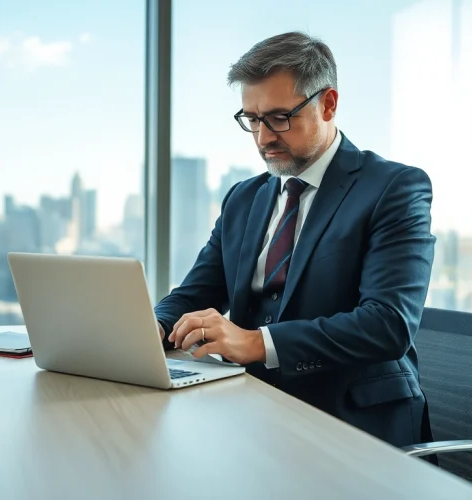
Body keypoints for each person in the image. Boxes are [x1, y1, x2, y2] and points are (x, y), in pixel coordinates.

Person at [154, 31, 435, 448]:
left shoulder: (393, 188)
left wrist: (254, 342)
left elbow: (388, 325)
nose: (263, 137)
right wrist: (151, 328)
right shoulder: (244, 197)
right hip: (249, 410)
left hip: (352, 423)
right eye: (252, 119)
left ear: (328, 104)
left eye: (280, 117)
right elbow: (196, 293)